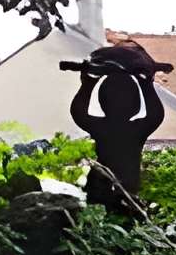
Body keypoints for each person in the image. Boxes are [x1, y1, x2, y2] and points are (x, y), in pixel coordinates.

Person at [67, 40, 167, 216]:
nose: (119, 100)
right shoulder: (137, 128)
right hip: (117, 187)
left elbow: (78, 112)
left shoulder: (102, 127)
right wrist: (146, 84)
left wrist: (87, 84)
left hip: (108, 187)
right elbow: (155, 114)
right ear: (135, 105)